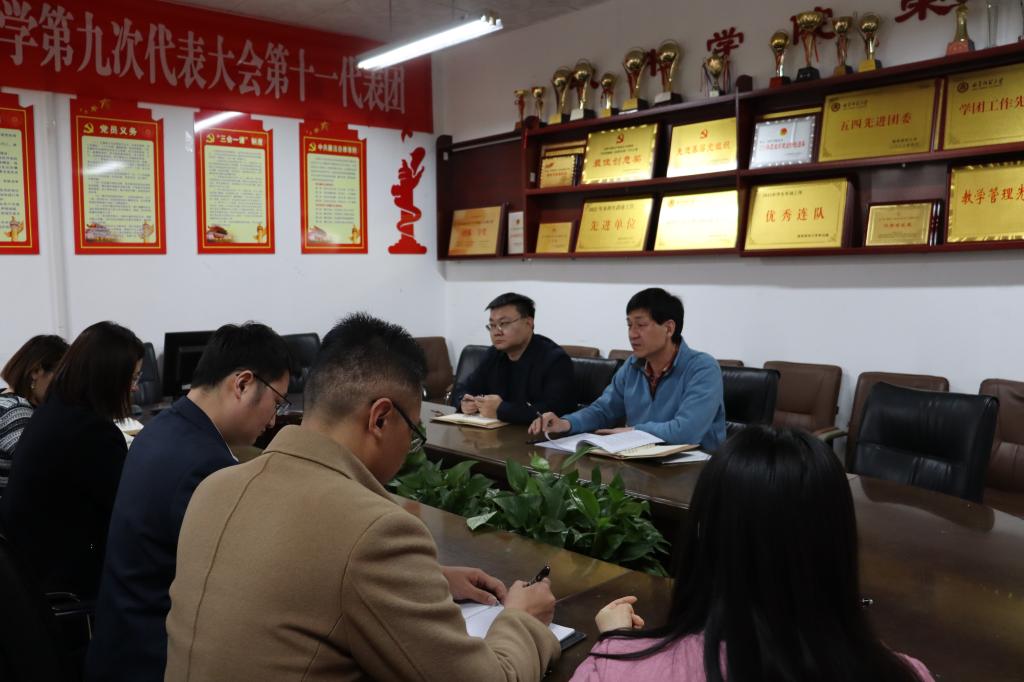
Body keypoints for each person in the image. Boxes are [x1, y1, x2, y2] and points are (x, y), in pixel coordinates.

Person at [165, 313, 560, 682]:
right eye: (413, 432)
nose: (410, 449)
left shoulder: (215, 487)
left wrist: (427, 581)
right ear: (380, 418)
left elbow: (300, 573)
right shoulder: (377, 531)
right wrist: (523, 619)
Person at [569, 427, 935, 682]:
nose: (632, 340)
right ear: (838, 546)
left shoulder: (617, 670)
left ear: (701, 536)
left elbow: (686, 426)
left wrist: (614, 643)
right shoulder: (908, 674)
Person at [85, 322, 292, 682]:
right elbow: (242, 588)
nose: (274, 420)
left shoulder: (162, 427)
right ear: (242, 384)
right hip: (153, 659)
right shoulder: (206, 466)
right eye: (276, 401)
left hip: (118, 641)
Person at [0, 321, 144, 598]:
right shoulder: (93, 432)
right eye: (133, 377)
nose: (135, 388)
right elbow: (125, 513)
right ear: (109, 377)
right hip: (64, 577)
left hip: (32, 564)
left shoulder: (53, 409)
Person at [530, 288, 725, 449]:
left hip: (696, 467)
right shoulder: (632, 366)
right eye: (629, 325)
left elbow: (687, 431)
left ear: (669, 328)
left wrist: (634, 432)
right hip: (643, 461)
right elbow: (603, 411)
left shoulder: (702, 368)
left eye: (641, 325)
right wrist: (565, 423)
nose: (632, 334)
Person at [451, 292, 575, 424]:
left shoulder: (555, 360)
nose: (496, 332)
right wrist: (464, 402)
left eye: (503, 323)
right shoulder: (494, 354)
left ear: (529, 323)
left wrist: (501, 410)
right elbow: (462, 389)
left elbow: (555, 410)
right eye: (492, 325)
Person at [0, 334, 69, 497]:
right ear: (36, 371)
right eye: (61, 376)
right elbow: (45, 470)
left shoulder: (6, 399)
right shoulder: (16, 411)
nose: (65, 385)